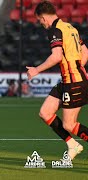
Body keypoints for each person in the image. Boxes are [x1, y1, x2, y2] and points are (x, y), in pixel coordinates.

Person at [26, 1, 88, 160]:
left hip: (74, 83)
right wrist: (78, 66)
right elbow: (85, 51)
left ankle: (73, 144)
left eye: (39, 20)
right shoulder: (69, 27)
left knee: (69, 125)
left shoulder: (55, 29)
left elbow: (56, 56)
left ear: (43, 17)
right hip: (68, 81)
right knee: (45, 112)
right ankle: (73, 145)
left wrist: (36, 70)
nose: (41, 23)